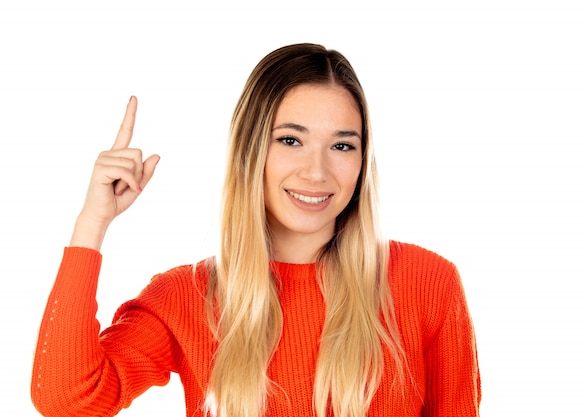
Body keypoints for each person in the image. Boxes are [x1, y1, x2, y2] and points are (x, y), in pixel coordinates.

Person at [31, 43, 481, 417]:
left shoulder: (428, 283)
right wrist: (92, 222)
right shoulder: (185, 297)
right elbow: (67, 399)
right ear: (251, 151)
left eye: (342, 145)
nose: (317, 171)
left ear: (363, 162)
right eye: (290, 140)